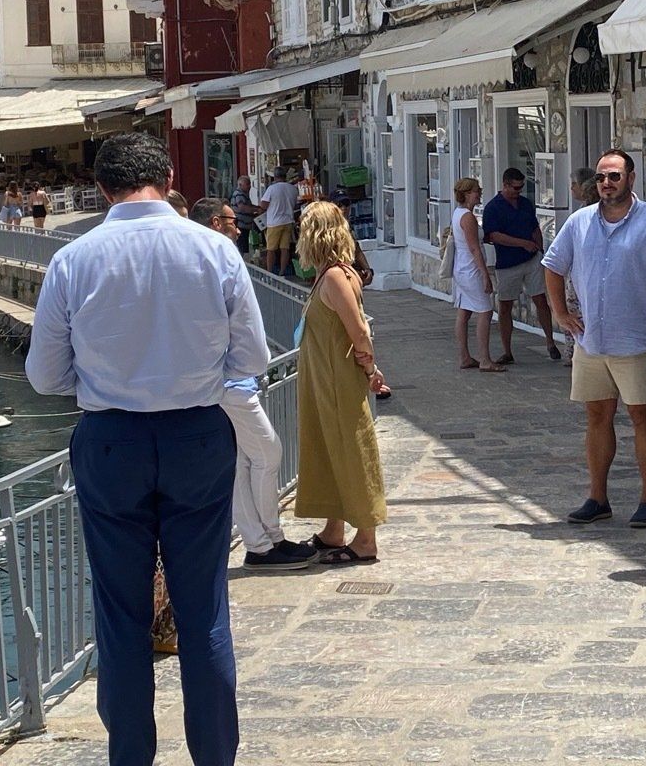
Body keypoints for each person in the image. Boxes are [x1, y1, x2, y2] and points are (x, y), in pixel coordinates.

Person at [26, 132, 268, 766]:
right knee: (203, 606)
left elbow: (45, 377)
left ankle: (130, 755)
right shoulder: (215, 249)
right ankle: (215, 755)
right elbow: (251, 358)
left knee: (120, 612)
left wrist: (105, 381)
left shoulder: (73, 260)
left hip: (112, 440)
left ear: (101, 187)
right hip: (197, 435)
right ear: (168, 177)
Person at [543, 149, 646, 529]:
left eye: (614, 176)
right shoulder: (579, 222)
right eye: (601, 177)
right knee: (597, 417)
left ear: (630, 178)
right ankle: (597, 498)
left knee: (643, 417)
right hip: (591, 342)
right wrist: (560, 313)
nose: (606, 183)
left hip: (638, 342)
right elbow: (552, 266)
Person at [190, 197, 317, 571]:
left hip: (227, 381)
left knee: (244, 462)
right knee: (268, 452)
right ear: (216, 222)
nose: (238, 227)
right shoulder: (214, 258)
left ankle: (259, 543)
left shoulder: (205, 259)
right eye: (232, 221)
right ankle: (268, 540)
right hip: (230, 382)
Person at [293, 201, 389, 565]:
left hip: (337, 381)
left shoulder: (335, 276)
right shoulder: (328, 274)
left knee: (352, 451)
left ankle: (365, 539)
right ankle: (334, 529)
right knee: (329, 450)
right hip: (324, 379)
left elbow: (359, 331)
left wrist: (371, 369)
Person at [482, 167, 562, 364]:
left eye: (521, 187)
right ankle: (507, 351)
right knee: (505, 305)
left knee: (540, 299)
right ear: (505, 185)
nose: (519, 192)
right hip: (508, 263)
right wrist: (522, 243)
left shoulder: (525, 203)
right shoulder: (493, 208)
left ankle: (550, 342)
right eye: (515, 188)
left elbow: (535, 228)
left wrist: (540, 249)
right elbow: (494, 236)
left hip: (532, 258)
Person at [450, 178, 502, 373]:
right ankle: (484, 359)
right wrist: (485, 274)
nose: (479, 193)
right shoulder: (467, 217)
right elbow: (474, 248)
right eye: (475, 190)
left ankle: (464, 356)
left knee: (464, 311)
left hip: (462, 268)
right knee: (485, 311)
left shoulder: (459, 214)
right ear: (466, 194)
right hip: (471, 270)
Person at [563, 169, 600, 364]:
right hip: (580, 272)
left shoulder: (589, 214)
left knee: (578, 312)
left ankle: (576, 351)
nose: (571, 188)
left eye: (574, 184)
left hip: (585, 273)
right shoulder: (580, 215)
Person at [259, 168, 300, 277]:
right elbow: (296, 204)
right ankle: (282, 271)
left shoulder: (272, 189)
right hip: (288, 221)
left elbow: (263, 205)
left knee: (271, 249)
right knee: (285, 248)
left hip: (274, 222)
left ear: (275, 176)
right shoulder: (293, 188)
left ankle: (269, 272)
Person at [230, 175, 260, 258]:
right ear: (240, 185)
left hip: (245, 225)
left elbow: (248, 206)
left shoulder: (244, 194)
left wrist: (257, 208)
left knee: (242, 247)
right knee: (241, 247)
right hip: (241, 225)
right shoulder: (239, 194)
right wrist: (257, 210)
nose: (249, 186)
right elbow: (243, 207)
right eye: (247, 184)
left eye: (249, 184)